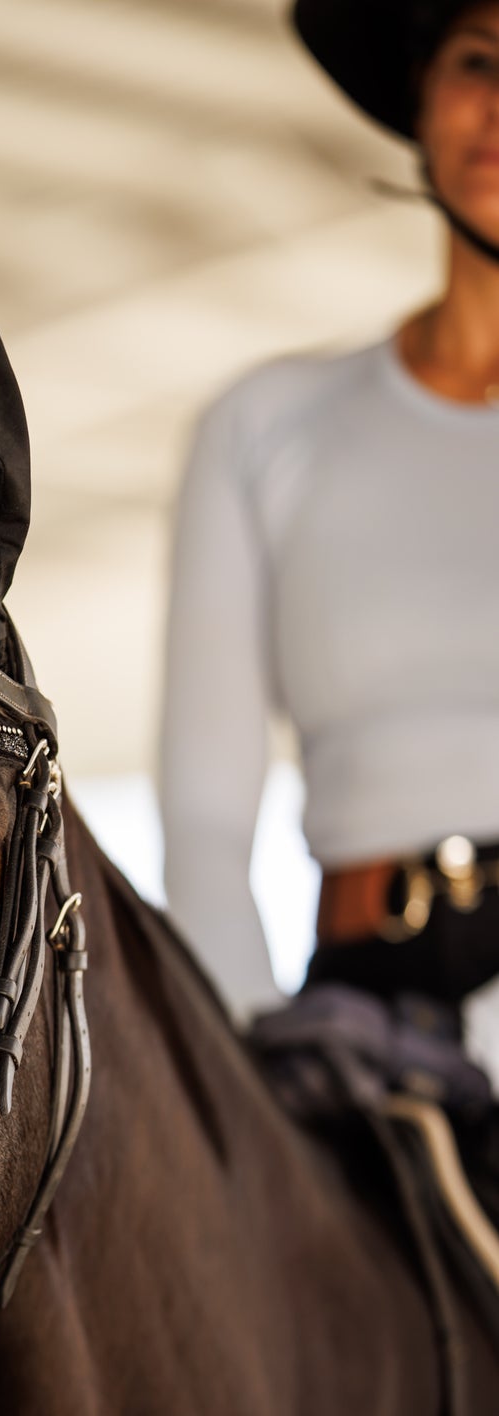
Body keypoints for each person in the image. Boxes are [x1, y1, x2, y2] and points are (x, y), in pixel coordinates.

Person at [159, 0, 499, 1039]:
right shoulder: (265, 426)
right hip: (362, 1009)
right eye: (476, 60)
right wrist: (249, 1045)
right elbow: (206, 817)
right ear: (421, 96)